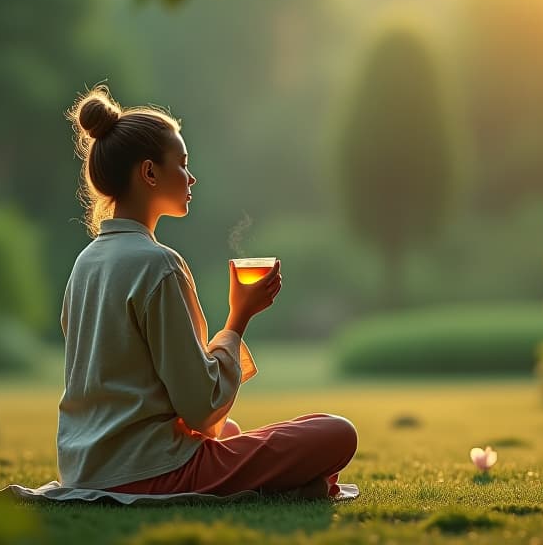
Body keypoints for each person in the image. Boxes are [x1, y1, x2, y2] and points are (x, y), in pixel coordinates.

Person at [57, 86, 358, 499]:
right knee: (337, 433)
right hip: (150, 470)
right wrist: (239, 318)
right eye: (182, 164)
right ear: (149, 173)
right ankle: (289, 483)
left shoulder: (85, 262)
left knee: (230, 434)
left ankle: (286, 483)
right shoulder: (157, 264)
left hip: (86, 469)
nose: (191, 177)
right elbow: (200, 409)